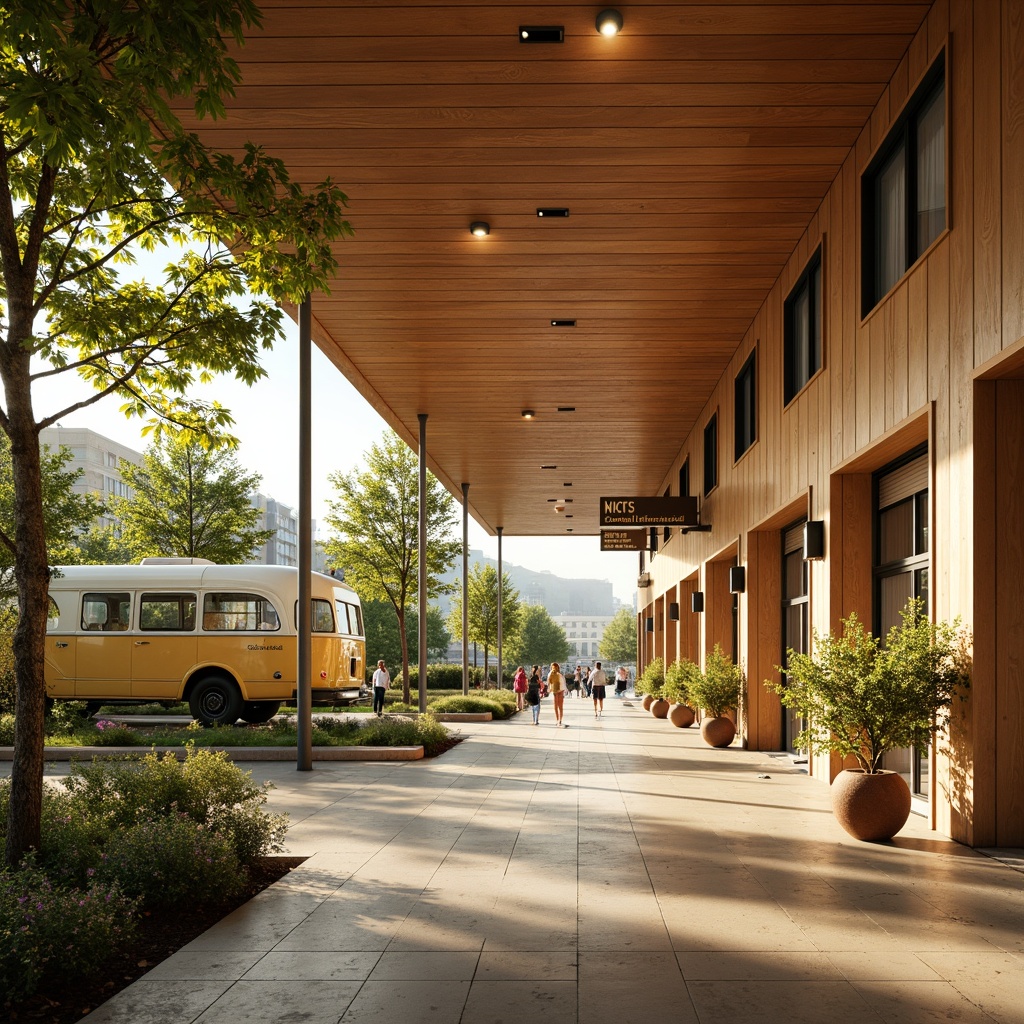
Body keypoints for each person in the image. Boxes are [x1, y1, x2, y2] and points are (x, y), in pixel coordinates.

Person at [548, 661, 567, 727]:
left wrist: (549, 689)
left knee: (555, 706)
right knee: (560, 707)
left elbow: (549, 682)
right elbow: (563, 684)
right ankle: (560, 720)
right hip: (561, 691)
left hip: (555, 691)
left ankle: (557, 720)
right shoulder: (560, 675)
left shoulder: (550, 674)